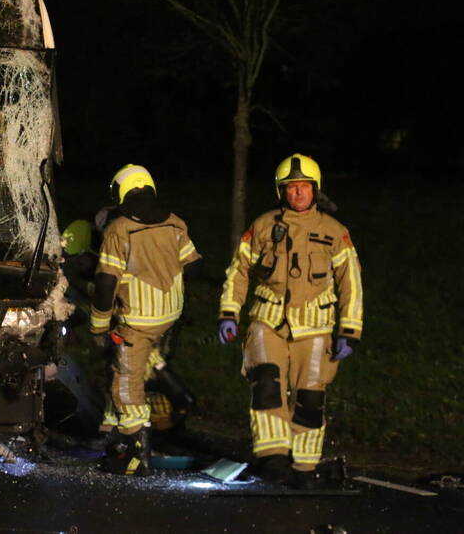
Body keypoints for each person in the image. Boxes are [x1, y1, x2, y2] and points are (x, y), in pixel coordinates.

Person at [218, 153, 363, 488]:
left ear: (315, 190)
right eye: (291, 187)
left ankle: (304, 468)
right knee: (266, 386)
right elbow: (238, 272)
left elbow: (351, 284)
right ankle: (274, 458)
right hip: (267, 320)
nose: (298, 193)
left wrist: (349, 330)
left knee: (311, 400)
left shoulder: (334, 231)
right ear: (280, 191)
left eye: (304, 187)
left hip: (316, 326)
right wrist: (229, 312)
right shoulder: (263, 226)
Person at [89, 164, 201, 476]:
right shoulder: (176, 223)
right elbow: (193, 267)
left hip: (137, 318)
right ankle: (118, 434)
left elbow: (106, 283)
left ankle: (135, 455)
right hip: (169, 314)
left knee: (126, 381)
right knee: (137, 363)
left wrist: (98, 325)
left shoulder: (119, 230)